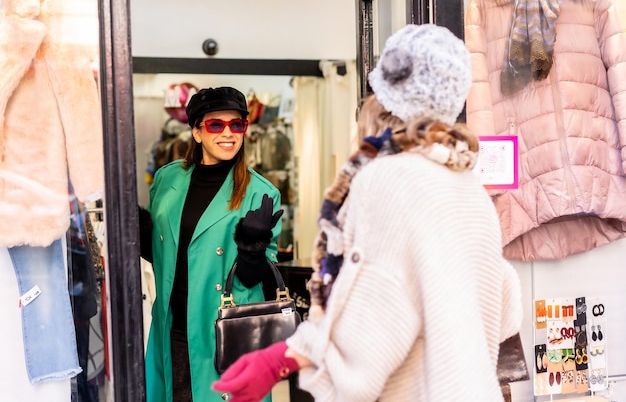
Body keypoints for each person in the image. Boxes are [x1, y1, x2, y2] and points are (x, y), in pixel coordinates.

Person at [212, 24, 523, 402]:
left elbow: (374, 323)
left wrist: (280, 359)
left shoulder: (388, 180)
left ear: (388, 105)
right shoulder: (467, 185)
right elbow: (505, 307)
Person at [142, 86, 284, 402]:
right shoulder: (168, 180)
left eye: (237, 125)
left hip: (225, 336)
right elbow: (161, 249)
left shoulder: (261, 194)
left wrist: (253, 250)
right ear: (196, 132)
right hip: (173, 330)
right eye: (216, 125)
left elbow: (261, 281)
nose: (228, 133)